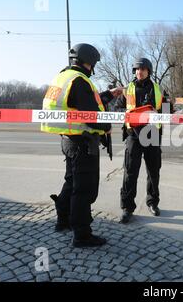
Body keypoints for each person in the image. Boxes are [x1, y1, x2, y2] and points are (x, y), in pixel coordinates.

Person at [42, 43, 122, 248]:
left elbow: (84, 103)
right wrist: (106, 127)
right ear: (89, 61)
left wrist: (109, 94)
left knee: (71, 182)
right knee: (84, 190)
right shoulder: (80, 80)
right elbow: (91, 115)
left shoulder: (63, 77)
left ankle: (63, 219)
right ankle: (82, 235)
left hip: (68, 140)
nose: (94, 66)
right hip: (83, 142)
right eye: (94, 63)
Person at [114, 58, 172, 224]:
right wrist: (130, 113)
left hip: (152, 133)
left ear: (149, 71)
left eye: (143, 70)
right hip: (133, 134)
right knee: (130, 171)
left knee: (153, 171)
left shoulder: (158, 89)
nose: (140, 72)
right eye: (137, 70)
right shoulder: (127, 89)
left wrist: (158, 110)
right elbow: (117, 110)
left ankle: (153, 202)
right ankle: (127, 208)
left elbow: (168, 110)